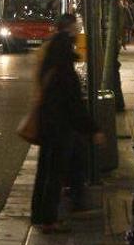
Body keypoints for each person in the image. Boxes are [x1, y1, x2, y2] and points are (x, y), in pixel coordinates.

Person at [30, 14, 103, 233]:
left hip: (49, 122)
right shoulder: (63, 61)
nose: (78, 32)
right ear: (70, 30)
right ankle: (49, 219)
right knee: (55, 172)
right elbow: (72, 100)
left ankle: (40, 214)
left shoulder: (51, 52)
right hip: (59, 125)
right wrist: (93, 128)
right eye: (77, 28)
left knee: (46, 170)